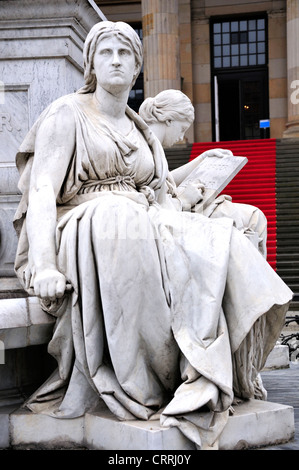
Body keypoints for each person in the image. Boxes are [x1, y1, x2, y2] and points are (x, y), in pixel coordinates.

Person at [13, 21, 292, 450]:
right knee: (122, 222)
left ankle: (202, 372)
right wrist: (45, 264)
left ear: (138, 66)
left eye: (125, 54)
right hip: (88, 220)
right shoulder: (67, 113)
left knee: (222, 235)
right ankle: (143, 383)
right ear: (90, 63)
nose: (116, 61)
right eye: (106, 52)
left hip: (144, 217)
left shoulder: (139, 129)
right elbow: (44, 189)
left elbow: (160, 194)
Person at [139, 89, 268, 258]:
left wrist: (202, 158)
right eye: (183, 128)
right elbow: (150, 206)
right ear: (169, 120)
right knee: (253, 218)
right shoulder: (143, 150)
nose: (182, 136)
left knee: (253, 217)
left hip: (180, 209)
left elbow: (166, 179)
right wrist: (183, 200)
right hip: (175, 216)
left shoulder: (152, 147)